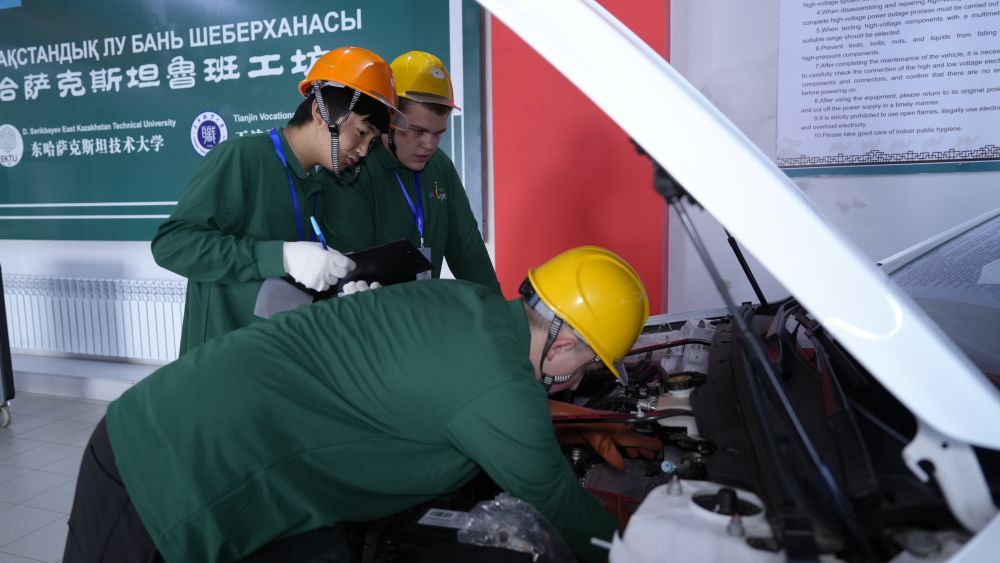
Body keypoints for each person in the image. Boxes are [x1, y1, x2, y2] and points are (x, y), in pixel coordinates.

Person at [63, 246, 656, 563]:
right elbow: (563, 508)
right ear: (567, 343)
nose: (580, 380)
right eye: (591, 365)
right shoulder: (500, 389)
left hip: (216, 438)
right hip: (162, 467)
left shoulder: (468, 303)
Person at [151, 46, 403, 354]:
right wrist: (282, 256)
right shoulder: (243, 157)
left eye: (372, 141)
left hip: (274, 355)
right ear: (321, 113)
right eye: (361, 132)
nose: (363, 150)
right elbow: (173, 244)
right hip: (222, 357)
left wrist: (341, 292)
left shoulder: (316, 183)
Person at [324, 51, 500, 292]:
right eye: (418, 131)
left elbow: (468, 252)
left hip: (424, 310)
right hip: (372, 311)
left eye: (438, 134)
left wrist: (498, 309)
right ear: (388, 117)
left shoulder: (439, 165)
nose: (429, 145)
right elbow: (350, 274)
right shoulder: (353, 168)